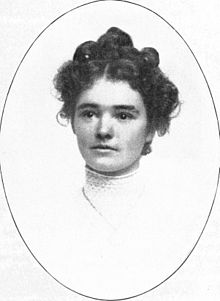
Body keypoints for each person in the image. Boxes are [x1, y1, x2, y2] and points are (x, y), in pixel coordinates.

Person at [52, 27, 181, 298]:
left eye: (123, 116)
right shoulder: (49, 221)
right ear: (73, 121)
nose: (103, 130)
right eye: (89, 113)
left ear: (150, 128)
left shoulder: (176, 219)